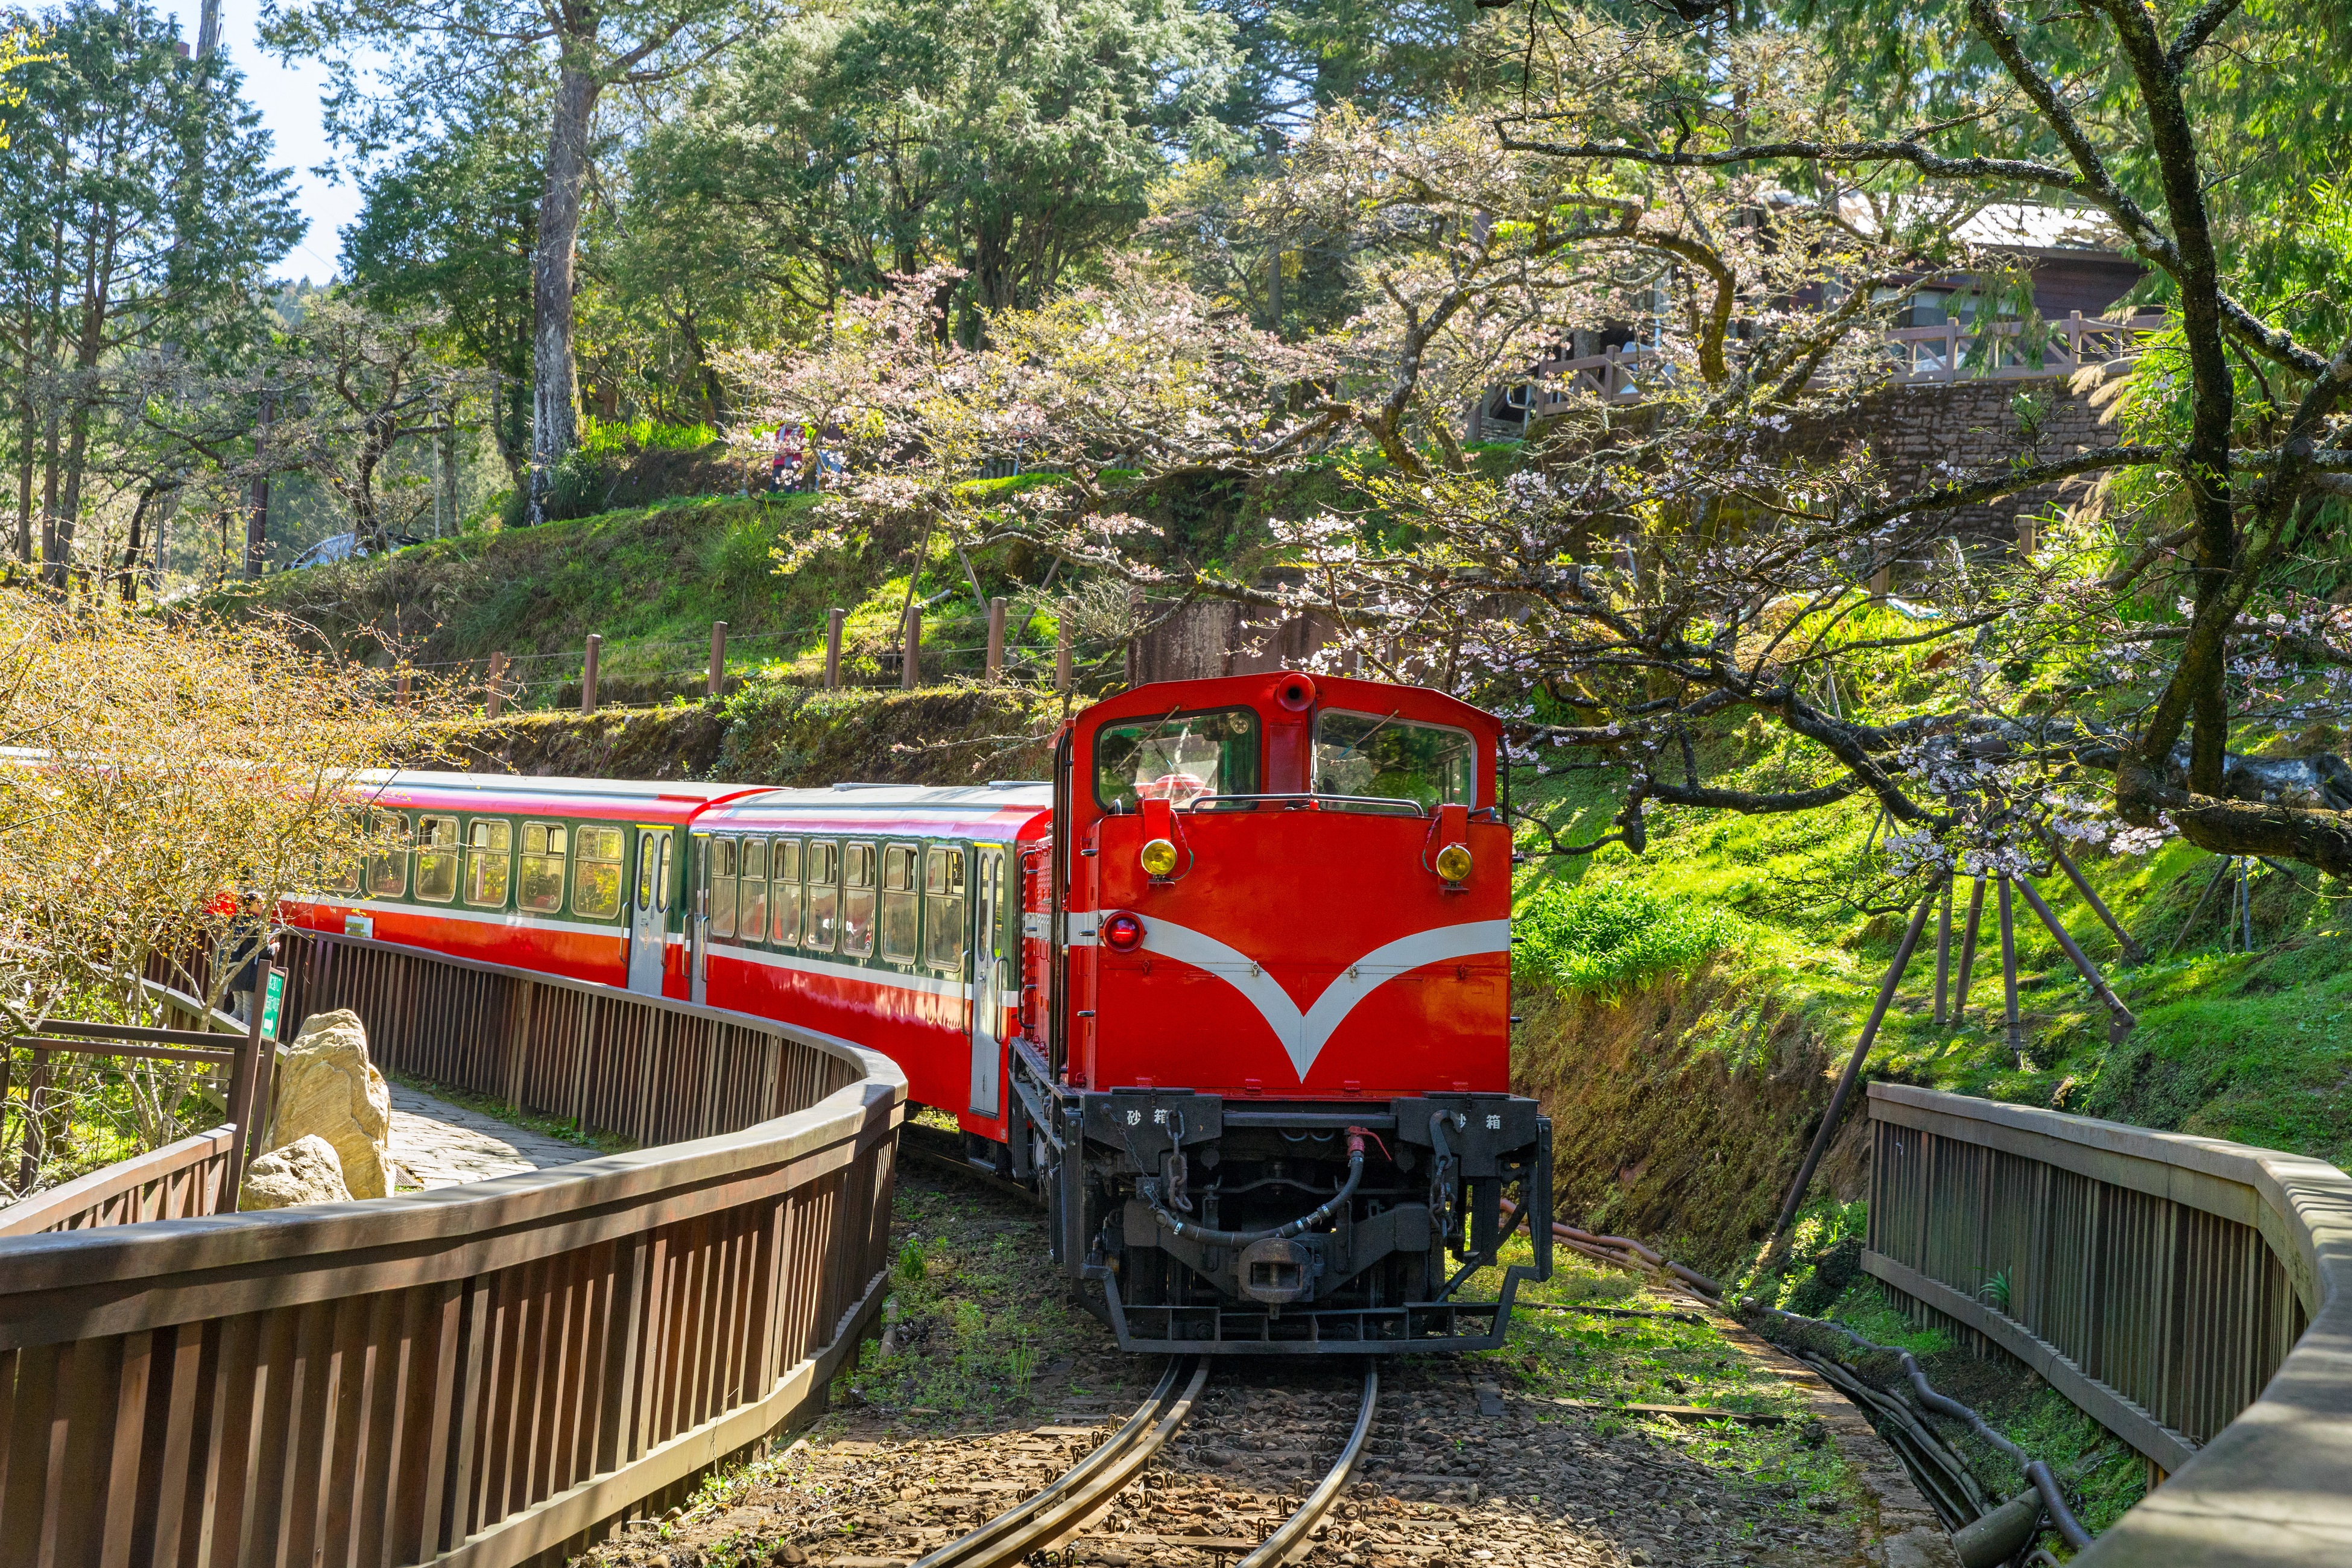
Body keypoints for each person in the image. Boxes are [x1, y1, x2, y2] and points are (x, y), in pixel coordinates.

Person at [221, 892, 279, 1023]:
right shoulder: (256, 924)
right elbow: (265, 951)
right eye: (259, 902)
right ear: (249, 905)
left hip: (234, 971)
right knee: (249, 1012)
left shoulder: (236, 921)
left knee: (238, 1010)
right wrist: (274, 947)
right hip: (249, 973)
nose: (262, 905)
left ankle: (221, 1035)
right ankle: (246, 1043)